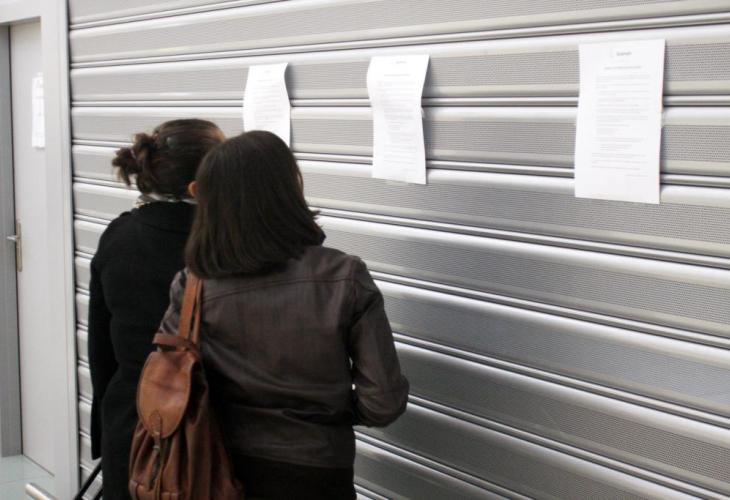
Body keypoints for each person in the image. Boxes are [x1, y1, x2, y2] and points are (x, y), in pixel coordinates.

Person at [158, 130, 409, 500]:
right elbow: (383, 402)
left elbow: (168, 378)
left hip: (215, 467)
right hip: (318, 469)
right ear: (291, 188)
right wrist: (328, 416)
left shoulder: (193, 285)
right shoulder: (344, 276)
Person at [88, 119, 225, 500]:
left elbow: (101, 347)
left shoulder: (119, 235)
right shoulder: (225, 243)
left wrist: (106, 430)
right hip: (209, 431)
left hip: (132, 423)